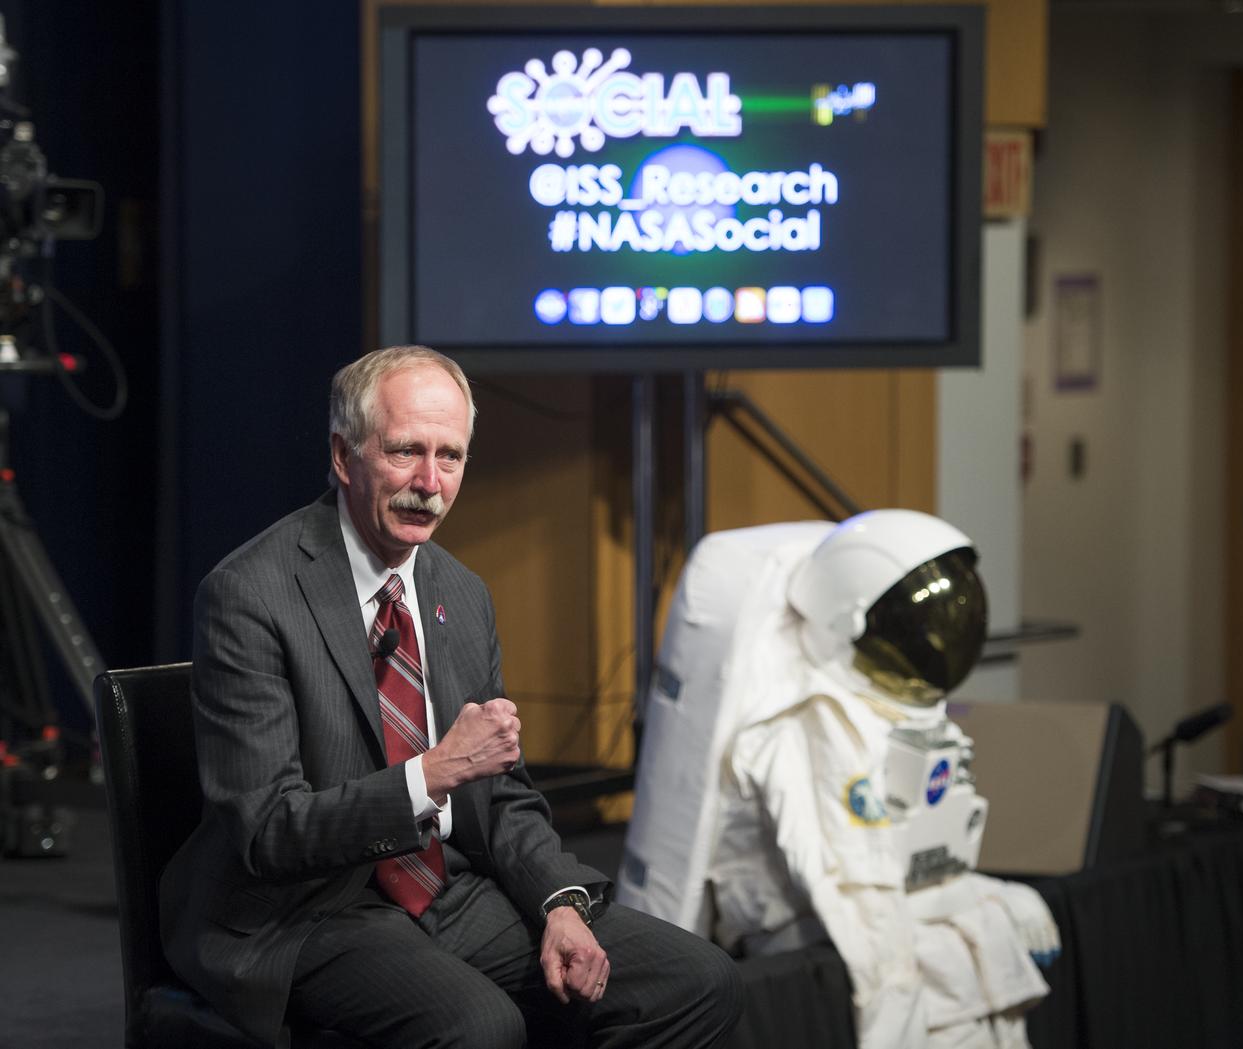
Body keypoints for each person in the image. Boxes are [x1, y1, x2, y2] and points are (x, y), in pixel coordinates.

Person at [159, 345, 745, 1049]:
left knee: (696, 979)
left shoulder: (461, 593)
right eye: (406, 451)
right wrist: (431, 773)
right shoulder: (251, 593)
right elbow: (268, 830)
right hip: (305, 911)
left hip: (447, 887)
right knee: (481, 1028)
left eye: (452, 456)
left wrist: (559, 902)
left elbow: (503, 797)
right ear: (345, 457)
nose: (429, 483)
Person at [619, 512, 1057, 1049]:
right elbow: (858, 896)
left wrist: (983, 894)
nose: (934, 644)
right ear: (851, 622)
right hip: (815, 936)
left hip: (896, 910)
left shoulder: (882, 708)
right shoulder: (806, 731)